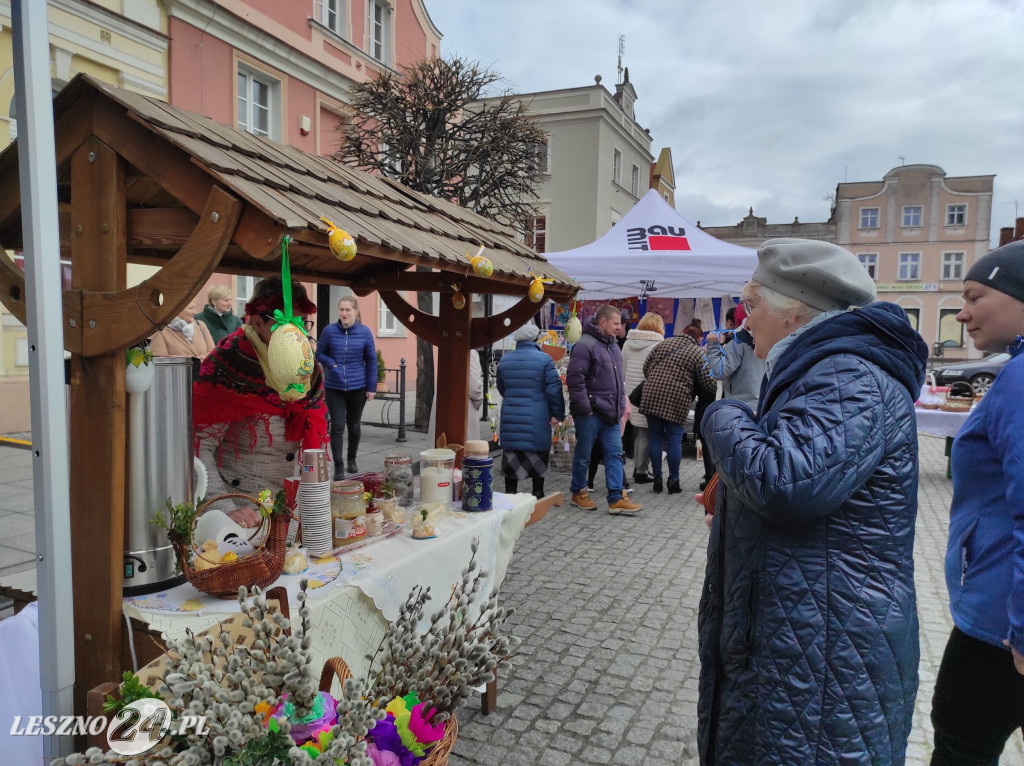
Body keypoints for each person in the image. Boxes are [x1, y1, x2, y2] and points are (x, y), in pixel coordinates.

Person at [696, 238, 927, 764]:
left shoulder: (847, 375)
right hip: (805, 638)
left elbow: (785, 483)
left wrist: (725, 414)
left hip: (824, 654)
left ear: (792, 310)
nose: (743, 319)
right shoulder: (827, 368)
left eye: (750, 305)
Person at [929, 239, 1024, 765]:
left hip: (1000, 626)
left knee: (961, 746)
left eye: (974, 296)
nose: (961, 312)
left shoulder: (1018, 380)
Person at [193, 277, 328, 528]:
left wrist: (320, 498)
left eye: (301, 322)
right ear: (257, 322)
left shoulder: (309, 368)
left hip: (297, 509)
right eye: (284, 324)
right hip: (243, 515)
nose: (296, 333)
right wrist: (222, 507)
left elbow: (317, 441)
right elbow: (198, 446)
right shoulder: (227, 364)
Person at [566, 304, 643, 515]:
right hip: (591, 412)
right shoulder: (585, 345)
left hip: (610, 412)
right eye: (616, 323)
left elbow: (618, 380)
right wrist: (586, 408)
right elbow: (575, 380)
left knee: (615, 454)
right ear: (603, 322)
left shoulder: (613, 345)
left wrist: (619, 407)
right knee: (584, 454)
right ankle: (578, 492)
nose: (619, 328)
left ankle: (616, 498)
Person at [638, 323, 714, 494]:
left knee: (655, 437)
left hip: (651, 393)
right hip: (676, 398)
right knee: (674, 439)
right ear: (699, 338)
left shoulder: (663, 343)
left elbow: (646, 367)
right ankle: (674, 480)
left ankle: (656, 477)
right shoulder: (697, 352)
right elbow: (708, 383)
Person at [496, 322, 565, 499]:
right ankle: (537, 493)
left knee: (512, 455)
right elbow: (554, 390)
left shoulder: (505, 360)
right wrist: (558, 414)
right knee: (537, 455)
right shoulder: (544, 360)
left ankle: (510, 494)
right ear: (536, 339)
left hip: (512, 416)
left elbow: (502, 388)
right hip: (537, 417)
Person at [316, 295, 376, 479]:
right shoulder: (329, 331)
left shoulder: (365, 332)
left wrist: (371, 387)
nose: (344, 313)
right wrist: (331, 364)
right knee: (337, 426)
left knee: (354, 426)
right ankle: (339, 465)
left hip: (358, 387)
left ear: (355, 311)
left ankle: (352, 459)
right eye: (341, 309)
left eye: (348, 310)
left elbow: (372, 360)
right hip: (334, 387)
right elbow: (319, 353)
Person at [621, 312, 665, 484]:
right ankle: (641, 471)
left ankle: (638, 468)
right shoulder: (659, 344)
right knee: (647, 432)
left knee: (639, 432)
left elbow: (622, 370)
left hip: (632, 392)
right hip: (649, 393)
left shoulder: (627, 343)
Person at [149, 299, 216, 358]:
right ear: (178, 310)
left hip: (202, 372)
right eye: (191, 308)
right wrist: (192, 361)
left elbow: (213, 353)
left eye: (194, 308)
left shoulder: (201, 325)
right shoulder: (159, 331)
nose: (194, 312)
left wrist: (201, 359)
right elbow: (160, 362)